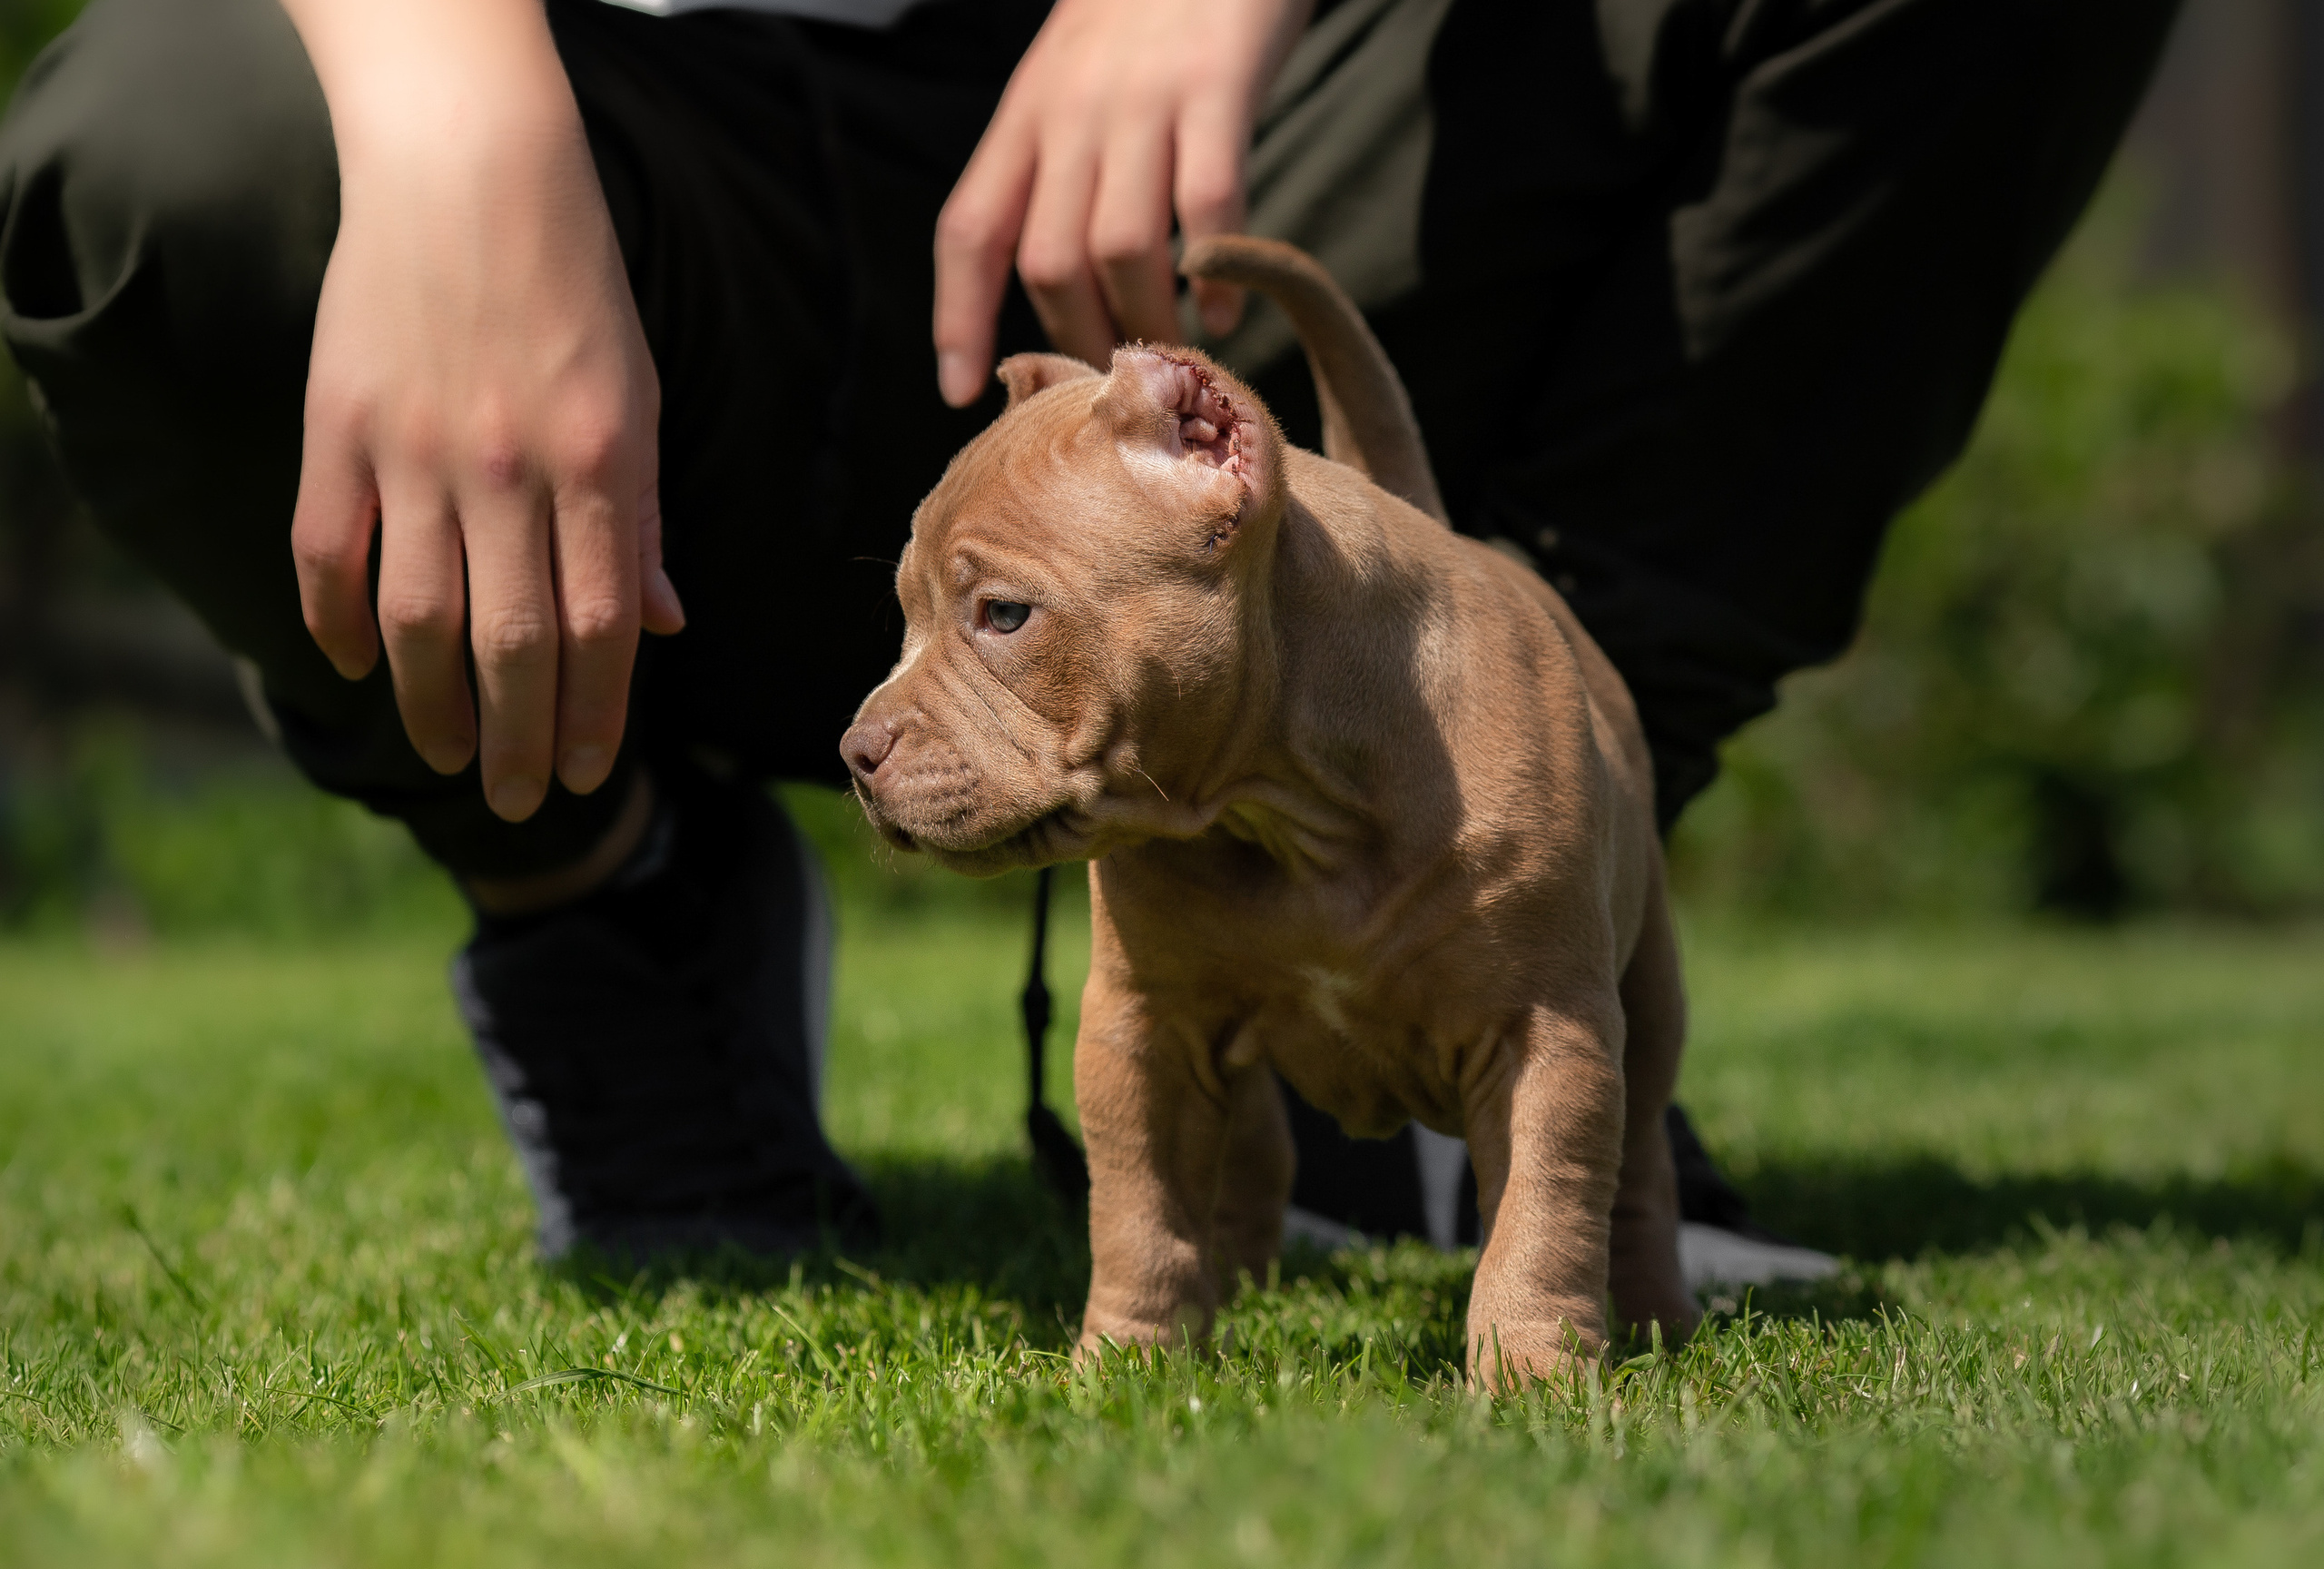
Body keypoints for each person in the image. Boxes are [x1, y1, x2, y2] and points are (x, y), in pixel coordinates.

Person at [0, 0, 2179, 1266]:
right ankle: (612, 920)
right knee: (161, 153)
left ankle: (1437, 962)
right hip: (636, 144)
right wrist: (452, 116)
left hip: (1257, 149)